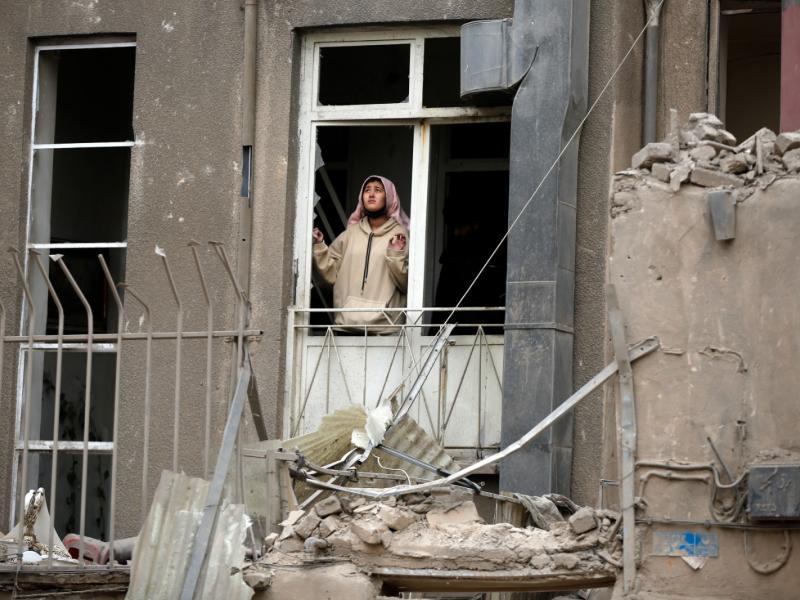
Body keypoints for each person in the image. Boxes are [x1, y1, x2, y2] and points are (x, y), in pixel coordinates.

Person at [312, 175, 409, 332]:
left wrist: (395, 255)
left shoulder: (401, 235)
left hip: (386, 329)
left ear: (390, 197)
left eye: (378, 190)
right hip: (347, 325)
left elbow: (408, 284)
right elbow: (331, 273)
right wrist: (319, 245)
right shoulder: (350, 234)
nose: (371, 194)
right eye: (367, 190)